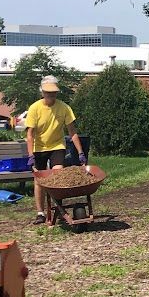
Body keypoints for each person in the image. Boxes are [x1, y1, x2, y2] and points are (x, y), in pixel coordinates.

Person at [25, 76, 86, 225]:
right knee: (39, 179)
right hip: (39, 147)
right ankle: (40, 212)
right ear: (42, 92)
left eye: (53, 93)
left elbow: (72, 132)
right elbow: (29, 134)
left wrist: (80, 152)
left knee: (58, 172)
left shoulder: (64, 108)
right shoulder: (35, 108)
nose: (51, 96)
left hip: (57, 146)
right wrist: (30, 155)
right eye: (48, 93)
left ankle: (58, 207)